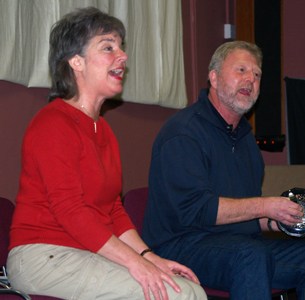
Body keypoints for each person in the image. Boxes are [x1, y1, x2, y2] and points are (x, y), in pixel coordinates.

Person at [6, 7, 206, 300]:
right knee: (180, 296)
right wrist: (135, 263)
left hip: (83, 251)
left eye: (121, 47)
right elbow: (70, 211)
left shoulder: (104, 131)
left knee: (187, 289)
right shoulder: (52, 123)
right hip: (42, 257)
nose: (122, 56)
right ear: (76, 61)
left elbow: (112, 210)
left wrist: (150, 257)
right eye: (108, 47)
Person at [142, 41, 305, 299]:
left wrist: (279, 220)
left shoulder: (245, 139)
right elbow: (197, 210)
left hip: (238, 246)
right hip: (182, 246)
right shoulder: (183, 133)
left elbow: (241, 212)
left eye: (257, 75)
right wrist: (265, 206)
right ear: (214, 78)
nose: (250, 80)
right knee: (250, 254)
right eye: (241, 70)